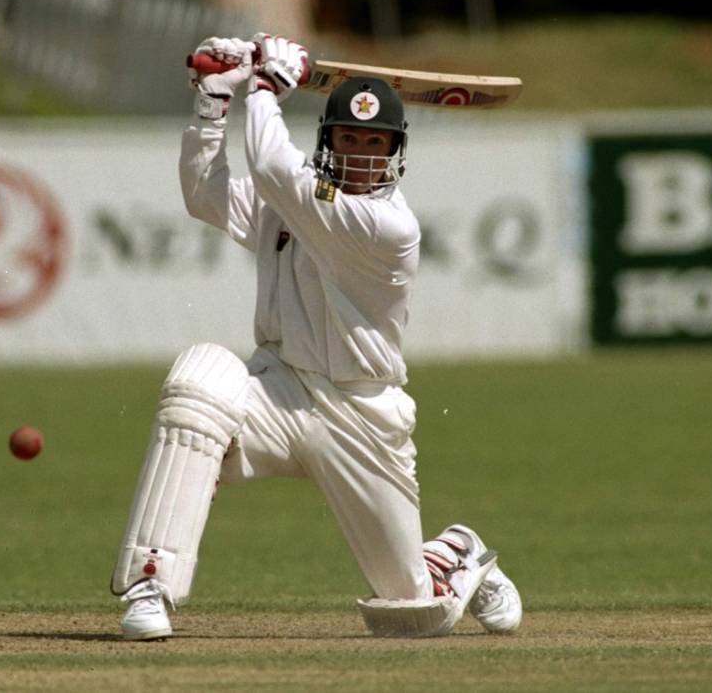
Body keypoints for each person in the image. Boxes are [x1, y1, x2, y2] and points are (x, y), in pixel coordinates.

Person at [110, 33, 521, 640]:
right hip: (278, 392)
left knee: (412, 616)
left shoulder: (387, 226)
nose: (360, 154)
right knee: (197, 385)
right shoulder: (295, 203)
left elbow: (275, 169)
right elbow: (205, 194)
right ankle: (152, 583)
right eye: (348, 139)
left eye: (374, 142)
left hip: (360, 414)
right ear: (327, 141)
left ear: (395, 152)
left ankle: (454, 555)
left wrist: (267, 87)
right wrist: (211, 103)